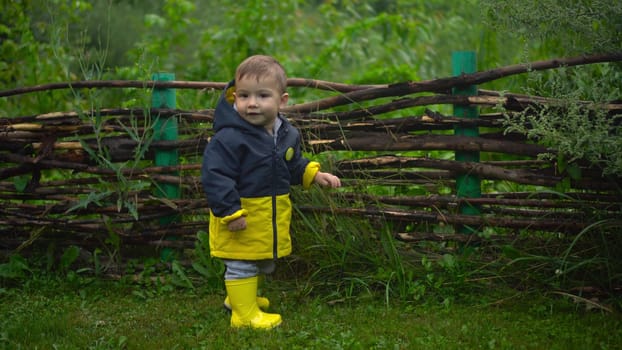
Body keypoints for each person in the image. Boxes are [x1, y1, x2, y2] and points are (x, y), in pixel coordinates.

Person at [201, 55, 341, 329]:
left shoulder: (285, 133)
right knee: (242, 262)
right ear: (234, 97)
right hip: (240, 215)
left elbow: (291, 164)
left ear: (282, 100)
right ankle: (243, 315)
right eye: (244, 96)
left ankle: (241, 298)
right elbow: (216, 176)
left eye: (262, 95)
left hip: (269, 213)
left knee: (261, 261)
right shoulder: (229, 138)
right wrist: (230, 212)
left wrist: (313, 174)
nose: (252, 103)